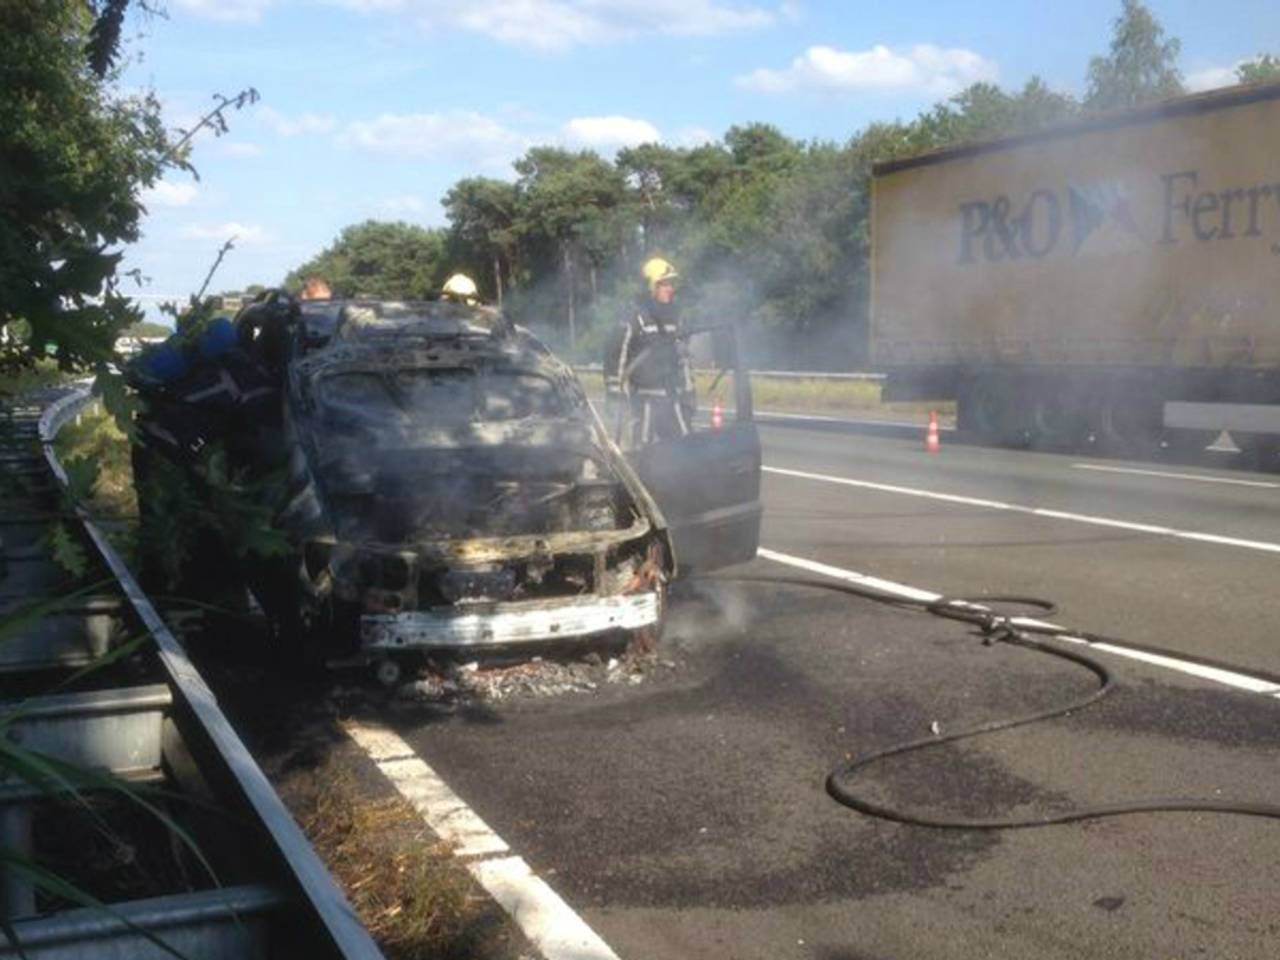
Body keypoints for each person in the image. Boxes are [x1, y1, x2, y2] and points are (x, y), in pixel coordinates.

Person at [603, 257, 695, 448]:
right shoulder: (634, 317)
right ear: (651, 287)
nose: (670, 289)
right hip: (645, 403)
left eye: (672, 284)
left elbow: (683, 358)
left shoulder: (675, 316)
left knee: (686, 449)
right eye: (664, 284)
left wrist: (689, 391)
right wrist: (615, 394)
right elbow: (615, 356)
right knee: (641, 453)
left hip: (673, 400)